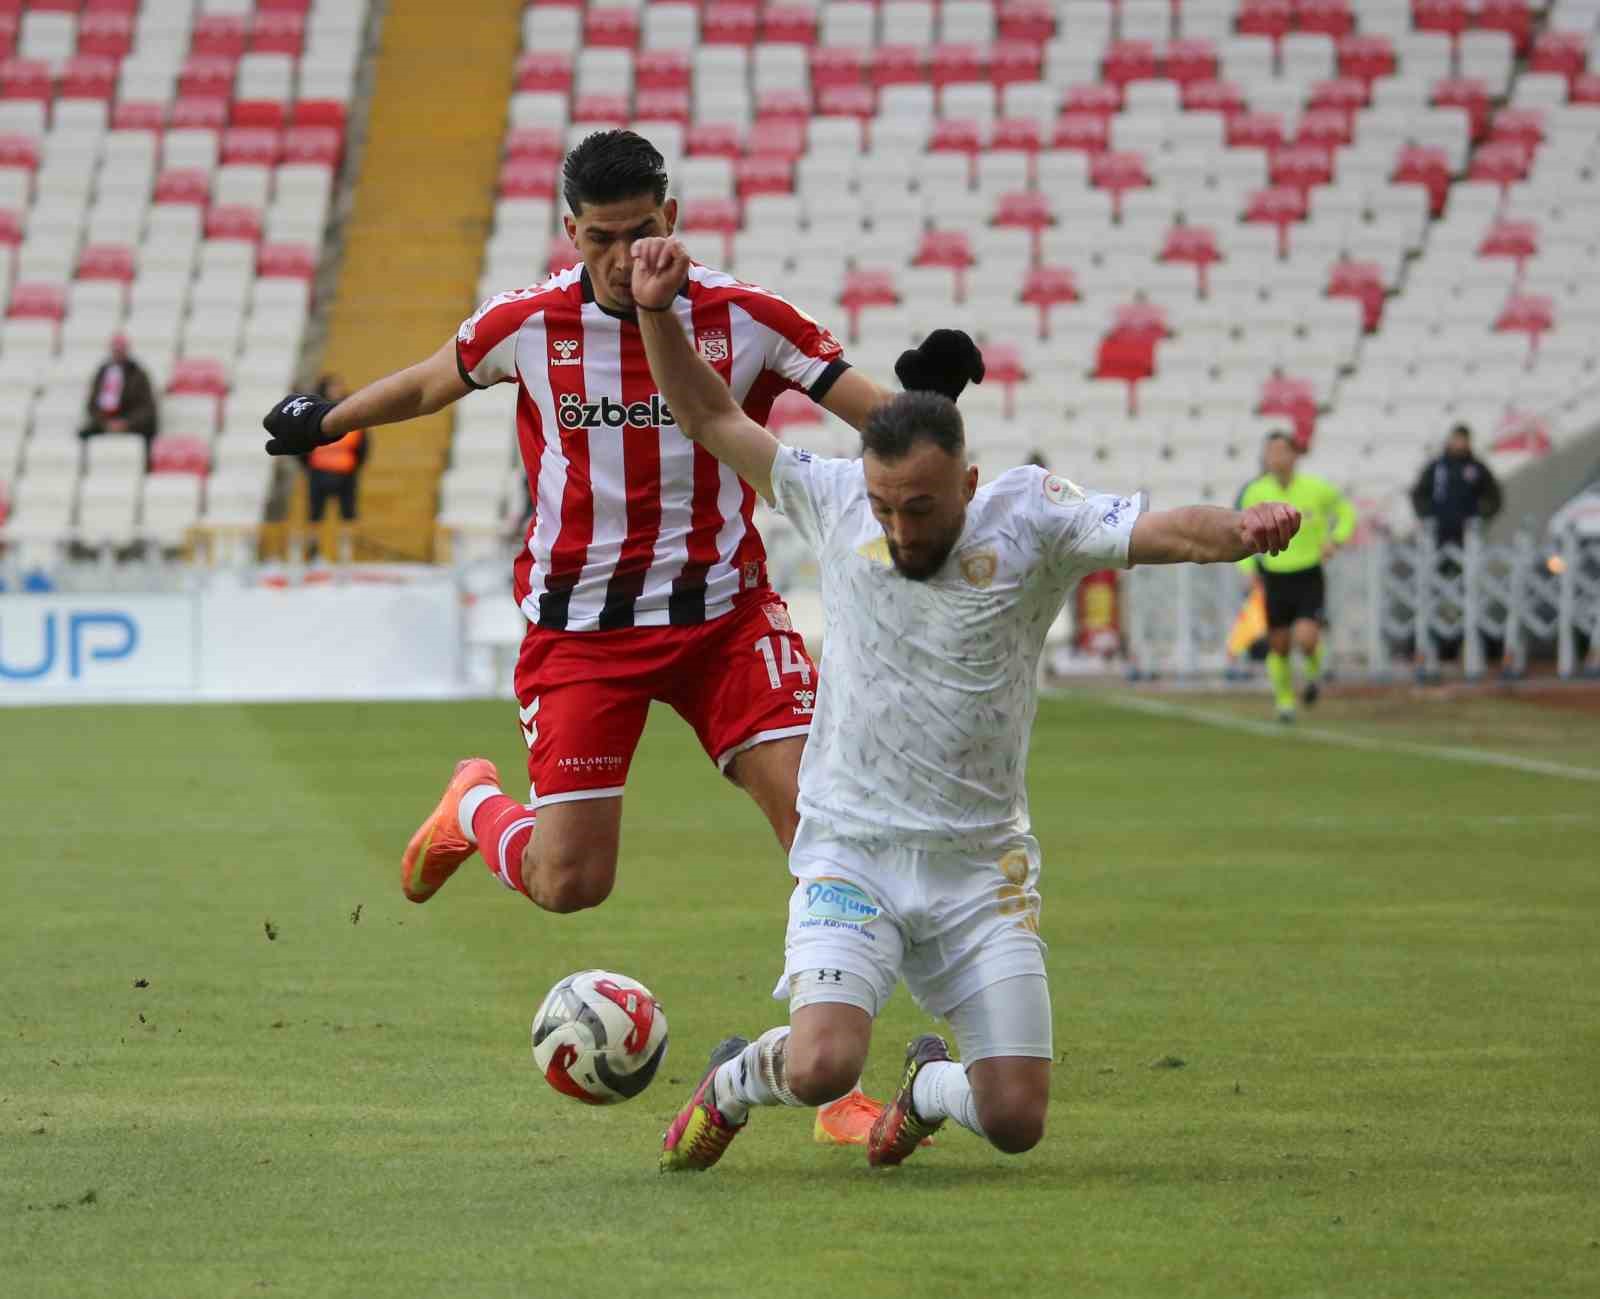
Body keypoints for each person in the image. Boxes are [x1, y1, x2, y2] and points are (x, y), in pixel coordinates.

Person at [258, 129, 977, 1145]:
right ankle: (475, 809)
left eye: (642, 232)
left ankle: (833, 1084)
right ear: (570, 232)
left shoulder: (745, 319)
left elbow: (873, 417)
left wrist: (928, 402)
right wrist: (329, 421)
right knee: (569, 884)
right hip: (582, 633)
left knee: (832, 832)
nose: (625, 255)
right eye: (602, 238)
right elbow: (428, 382)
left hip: (726, 620)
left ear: (671, 221)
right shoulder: (528, 323)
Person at [625, 235, 1301, 1172]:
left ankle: (927, 1090)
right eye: (887, 505)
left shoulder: (1031, 516)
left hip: (981, 862)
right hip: (853, 847)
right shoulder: (831, 498)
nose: (901, 526)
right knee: (822, 1065)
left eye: (924, 508)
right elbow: (706, 414)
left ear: (969, 486)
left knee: (1016, 1119)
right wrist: (657, 313)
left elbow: (1160, 529)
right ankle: (737, 1081)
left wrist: (1240, 530)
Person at [1236, 432, 1355, 722]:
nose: (1277, 457)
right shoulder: (1255, 492)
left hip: (1308, 573)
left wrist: (1335, 540)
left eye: (1282, 451)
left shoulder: (1316, 488)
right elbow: (1241, 532)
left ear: (1294, 455)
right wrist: (1249, 570)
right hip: (1274, 576)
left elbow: (1346, 512)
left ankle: (1313, 675)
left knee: (1306, 637)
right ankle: (1285, 702)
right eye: (1271, 452)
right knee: (1279, 644)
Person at [1410, 423, 1502, 549]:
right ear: (1450, 440)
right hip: (1439, 528)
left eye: (1463, 440)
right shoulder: (1436, 467)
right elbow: (1419, 493)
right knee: (1436, 564)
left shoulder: (1477, 468)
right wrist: (1428, 513)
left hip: (1467, 530)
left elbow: (1493, 496)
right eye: (1457, 439)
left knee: (1467, 564)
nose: (1459, 443)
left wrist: (1480, 513)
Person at [303, 374, 369, 522]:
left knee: (348, 512)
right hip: (319, 470)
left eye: (339, 386)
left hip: (346, 471)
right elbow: (302, 443)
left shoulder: (353, 411)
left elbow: (363, 444)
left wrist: (355, 465)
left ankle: (346, 544)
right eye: (333, 386)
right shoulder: (312, 412)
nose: (337, 390)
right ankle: (313, 543)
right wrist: (308, 465)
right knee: (315, 513)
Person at [81, 335, 158, 451]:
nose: (118, 353)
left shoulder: (138, 374)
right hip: (105, 422)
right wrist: (105, 423)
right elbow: (92, 405)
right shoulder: (102, 373)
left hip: (133, 424)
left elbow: (147, 409)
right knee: (83, 436)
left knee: (149, 437)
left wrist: (127, 423)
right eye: (115, 349)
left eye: (120, 349)